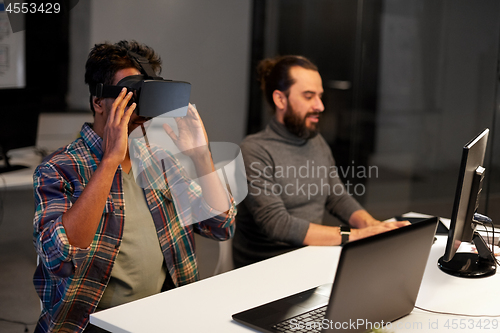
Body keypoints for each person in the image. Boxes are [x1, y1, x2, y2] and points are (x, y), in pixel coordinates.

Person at [32, 40, 236, 333]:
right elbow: (60, 258)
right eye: (131, 93)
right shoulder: (58, 168)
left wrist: (201, 156)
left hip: (163, 314)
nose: (139, 106)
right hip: (90, 325)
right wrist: (110, 159)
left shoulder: (159, 161)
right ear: (98, 101)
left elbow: (221, 225)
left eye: (145, 93)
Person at [232, 55, 408, 267]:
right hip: (268, 266)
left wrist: (371, 226)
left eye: (320, 96)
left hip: (310, 257)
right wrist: (354, 235)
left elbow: (337, 197)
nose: (320, 106)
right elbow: (277, 224)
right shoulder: (253, 150)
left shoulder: (316, 141)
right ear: (280, 99)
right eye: (309, 96)